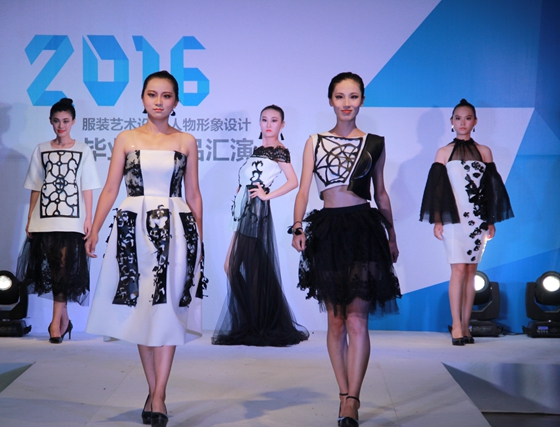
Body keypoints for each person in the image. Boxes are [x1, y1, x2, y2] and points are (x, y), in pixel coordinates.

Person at [85, 71, 206, 427]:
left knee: (167, 310)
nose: (159, 101)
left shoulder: (186, 141)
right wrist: (94, 228)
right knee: (143, 309)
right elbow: (111, 189)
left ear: (176, 101)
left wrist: (200, 239)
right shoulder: (126, 138)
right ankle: (154, 391)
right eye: (152, 94)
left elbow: (193, 193)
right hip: (133, 229)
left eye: (166, 96)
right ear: (142, 98)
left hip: (177, 231)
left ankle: (159, 395)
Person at [291, 72, 401, 427]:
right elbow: (303, 189)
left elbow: (380, 192)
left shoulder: (375, 143)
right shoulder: (314, 141)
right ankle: (343, 392)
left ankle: (353, 398)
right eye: (340, 96)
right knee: (336, 320)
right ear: (330, 100)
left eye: (353, 96)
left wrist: (392, 234)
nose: (347, 103)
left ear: (362, 100)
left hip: (364, 229)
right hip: (328, 231)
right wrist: (297, 226)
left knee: (357, 318)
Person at [211, 105, 309, 347]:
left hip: (255, 212)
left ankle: (257, 322)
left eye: (274, 120)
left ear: (282, 125)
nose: (268, 124)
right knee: (249, 268)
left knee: (236, 266)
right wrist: (239, 191)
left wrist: (266, 196)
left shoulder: (279, 151)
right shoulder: (257, 150)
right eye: (264, 119)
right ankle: (260, 321)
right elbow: (247, 179)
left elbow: (293, 181)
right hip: (242, 210)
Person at [419, 98, 513, 346]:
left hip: (477, 220)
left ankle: (466, 324)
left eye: (468, 118)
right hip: (453, 218)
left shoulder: (484, 152)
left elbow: (491, 190)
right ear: (451, 122)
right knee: (458, 270)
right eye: (458, 118)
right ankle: (457, 325)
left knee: (471, 271)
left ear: (475, 122)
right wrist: (438, 220)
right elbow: (437, 190)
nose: (463, 123)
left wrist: (490, 220)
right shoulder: (443, 152)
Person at [17, 97, 101, 344]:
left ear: (73, 122)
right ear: (50, 122)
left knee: (64, 269)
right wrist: (30, 217)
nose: (61, 126)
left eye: (65, 121)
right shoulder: (41, 149)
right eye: (56, 121)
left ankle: (55, 323)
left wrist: (89, 218)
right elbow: (36, 185)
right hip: (44, 218)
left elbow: (87, 187)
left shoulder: (83, 150)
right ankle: (64, 320)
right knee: (54, 269)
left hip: (72, 220)